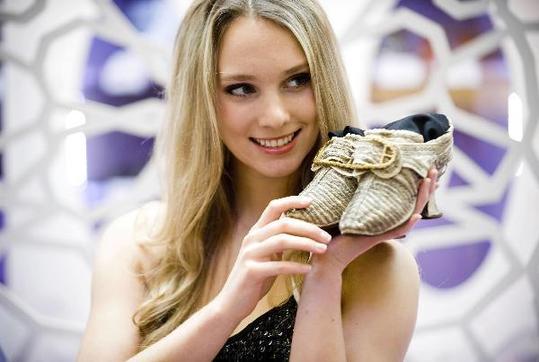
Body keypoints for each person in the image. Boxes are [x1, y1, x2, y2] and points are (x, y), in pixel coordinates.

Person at [77, 0, 438, 360]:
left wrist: (325, 275)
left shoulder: (378, 268)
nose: (276, 116)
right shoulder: (137, 244)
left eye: (298, 80)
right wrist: (227, 309)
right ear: (201, 99)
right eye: (241, 89)